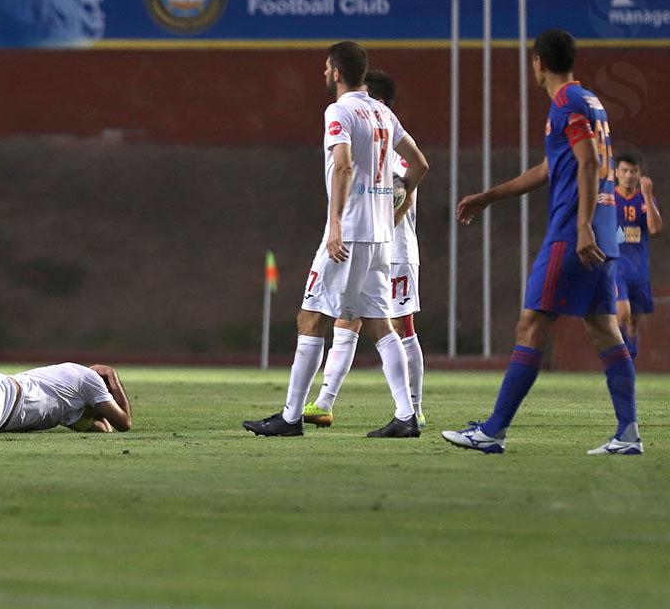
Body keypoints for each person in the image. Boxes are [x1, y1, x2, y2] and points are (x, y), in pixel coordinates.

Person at [446, 29, 641, 455]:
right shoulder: (590, 100)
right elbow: (552, 168)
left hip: (574, 232)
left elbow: (588, 161)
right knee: (604, 327)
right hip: (603, 232)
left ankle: (493, 430)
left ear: (537, 63)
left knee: (532, 323)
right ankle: (628, 433)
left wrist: (583, 225)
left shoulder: (564, 103)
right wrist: (489, 196)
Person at [243, 41, 429, 439]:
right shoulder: (383, 112)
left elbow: (343, 166)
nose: (324, 74)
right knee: (381, 323)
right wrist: (391, 213)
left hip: (351, 234)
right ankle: (406, 414)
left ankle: (291, 417)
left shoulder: (339, 111)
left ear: (337, 72)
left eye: (326, 68)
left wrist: (336, 226)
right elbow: (421, 164)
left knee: (311, 317)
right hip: (380, 237)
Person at [302, 70, 426, 428]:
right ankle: (325, 401)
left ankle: (413, 409)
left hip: (394, 250)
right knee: (347, 317)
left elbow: (408, 184)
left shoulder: (392, 150)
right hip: (374, 246)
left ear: (378, 101)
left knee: (401, 325)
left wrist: (391, 217)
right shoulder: (374, 143)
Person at [0, 363, 132, 435]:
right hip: (2, 394)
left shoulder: (72, 410)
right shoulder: (89, 378)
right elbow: (124, 423)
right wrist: (113, 377)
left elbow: (103, 429)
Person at [613, 150, 661, 362]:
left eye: (633, 171)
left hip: (639, 269)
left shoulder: (644, 199)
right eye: (624, 171)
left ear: (639, 174)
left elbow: (654, 228)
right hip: (616, 267)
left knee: (633, 322)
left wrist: (648, 196)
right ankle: (619, 362)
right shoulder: (609, 198)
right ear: (616, 172)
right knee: (621, 314)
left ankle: (628, 364)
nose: (629, 175)